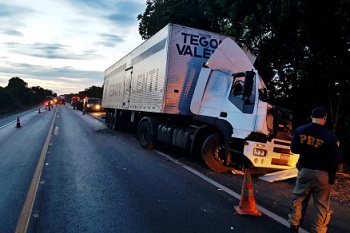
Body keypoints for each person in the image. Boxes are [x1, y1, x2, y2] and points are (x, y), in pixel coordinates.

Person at [288, 106, 344, 233]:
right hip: (323, 175)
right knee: (322, 205)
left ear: (311, 117)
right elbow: (338, 157)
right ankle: (319, 230)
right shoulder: (330, 136)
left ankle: (294, 225)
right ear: (324, 118)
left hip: (304, 171)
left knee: (299, 199)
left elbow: (294, 149)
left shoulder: (300, 131)